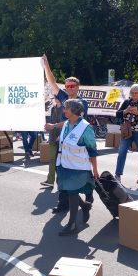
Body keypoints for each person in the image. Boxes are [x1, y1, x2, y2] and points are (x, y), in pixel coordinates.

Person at [42, 54, 93, 212]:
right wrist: (46, 65)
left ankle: (89, 189)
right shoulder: (64, 97)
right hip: (63, 141)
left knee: (80, 170)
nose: (69, 88)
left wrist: (53, 126)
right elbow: (51, 83)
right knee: (61, 171)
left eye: (72, 86)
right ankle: (63, 203)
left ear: (78, 87)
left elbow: (73, 122)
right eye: (67, 86)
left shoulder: (81, 103)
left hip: (79, 142)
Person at [56, 99, 98, 236]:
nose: (64, 110)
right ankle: (85, 206)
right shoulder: (67, 124)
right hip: (65, 165)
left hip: (79, 167)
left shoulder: (86, 128)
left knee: (72, 192)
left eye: (66, 108)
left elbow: (92, 150)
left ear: (73, 110)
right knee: (69, 191)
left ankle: (72, 224)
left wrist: (95, 169)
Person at [115, 84, 138, 184]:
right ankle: (118, 175)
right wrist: (125, 111)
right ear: (130, 94)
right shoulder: (127, 102)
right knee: (121, 153)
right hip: (127, 132)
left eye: (136, 93)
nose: (134, 94)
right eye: (132, 93)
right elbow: (117, 114)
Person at [41, 97, 63, 188]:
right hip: (53, 137)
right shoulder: (53, 108)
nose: (56, 99)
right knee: (52, 160)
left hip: (62, 138)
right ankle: (50, 181)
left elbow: (65, 124)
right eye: (55, 97)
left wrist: (61, 136)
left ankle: (61, 182)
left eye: (58, 97)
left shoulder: (65, 108)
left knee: (60, 162)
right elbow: (52, 122)